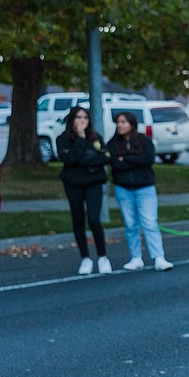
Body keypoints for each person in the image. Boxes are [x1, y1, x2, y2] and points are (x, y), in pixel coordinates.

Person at [106, 111, 173, 271]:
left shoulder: (144, 140)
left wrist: (126, 159)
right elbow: (115, 163)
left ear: (132, 124)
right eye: (118, 122)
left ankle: (159, 257)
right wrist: (130, 160)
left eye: (123, 122)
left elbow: (147, 160)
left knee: (150, 222)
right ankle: (136, 257)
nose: (120, 125)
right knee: (131, 224)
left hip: (145, 188)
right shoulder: (113, 143)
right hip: (123, 188)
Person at [56, 106, 111, 275]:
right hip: (73, 183)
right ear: (72, 120)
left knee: (94, 219)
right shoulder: (63, 139)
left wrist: (85, 159)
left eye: (85, 118)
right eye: (78, 118)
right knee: (78, 218)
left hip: (93, 182)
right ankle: (85, 258)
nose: (82, 121)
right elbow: (69, 158)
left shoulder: (95, 138)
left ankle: (103, 256)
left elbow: (105, 157)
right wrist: (80, 140)